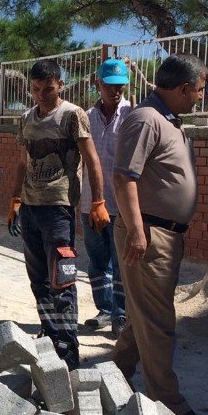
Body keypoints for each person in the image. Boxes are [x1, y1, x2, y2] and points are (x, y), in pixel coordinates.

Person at [111, 53, 208, 415]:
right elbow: (123, 178)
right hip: (149, 235)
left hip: (164, 234)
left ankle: (112, 378)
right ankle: (169, 406)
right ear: (183, 87)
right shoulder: (146, 119)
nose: (200, 97)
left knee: (144, 315)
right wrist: (138, 231)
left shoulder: (171, 121)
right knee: (158, 323)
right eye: (199, 90)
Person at [8, 59, 109, 370]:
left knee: (62, 279)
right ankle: (49, 334)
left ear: (60, 86)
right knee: (37, 277)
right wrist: (14, 199)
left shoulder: (71, 115)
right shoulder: (25, 118)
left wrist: (98, 202)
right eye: (36, 90)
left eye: (48, 89)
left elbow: (92, 159)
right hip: (30, 208)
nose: (42, 95)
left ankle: (68, 345)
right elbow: (23, 163)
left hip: (59, 209)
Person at [81, 59, 133, 337]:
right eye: (110, 85)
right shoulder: (86, 117)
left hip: (121, 204)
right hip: (90, 201)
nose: (116, 91)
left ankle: (121, 314)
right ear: (98, 84)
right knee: (98, 259)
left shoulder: (133, 115)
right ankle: (104, 310)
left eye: (120, 85)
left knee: (121, 261)